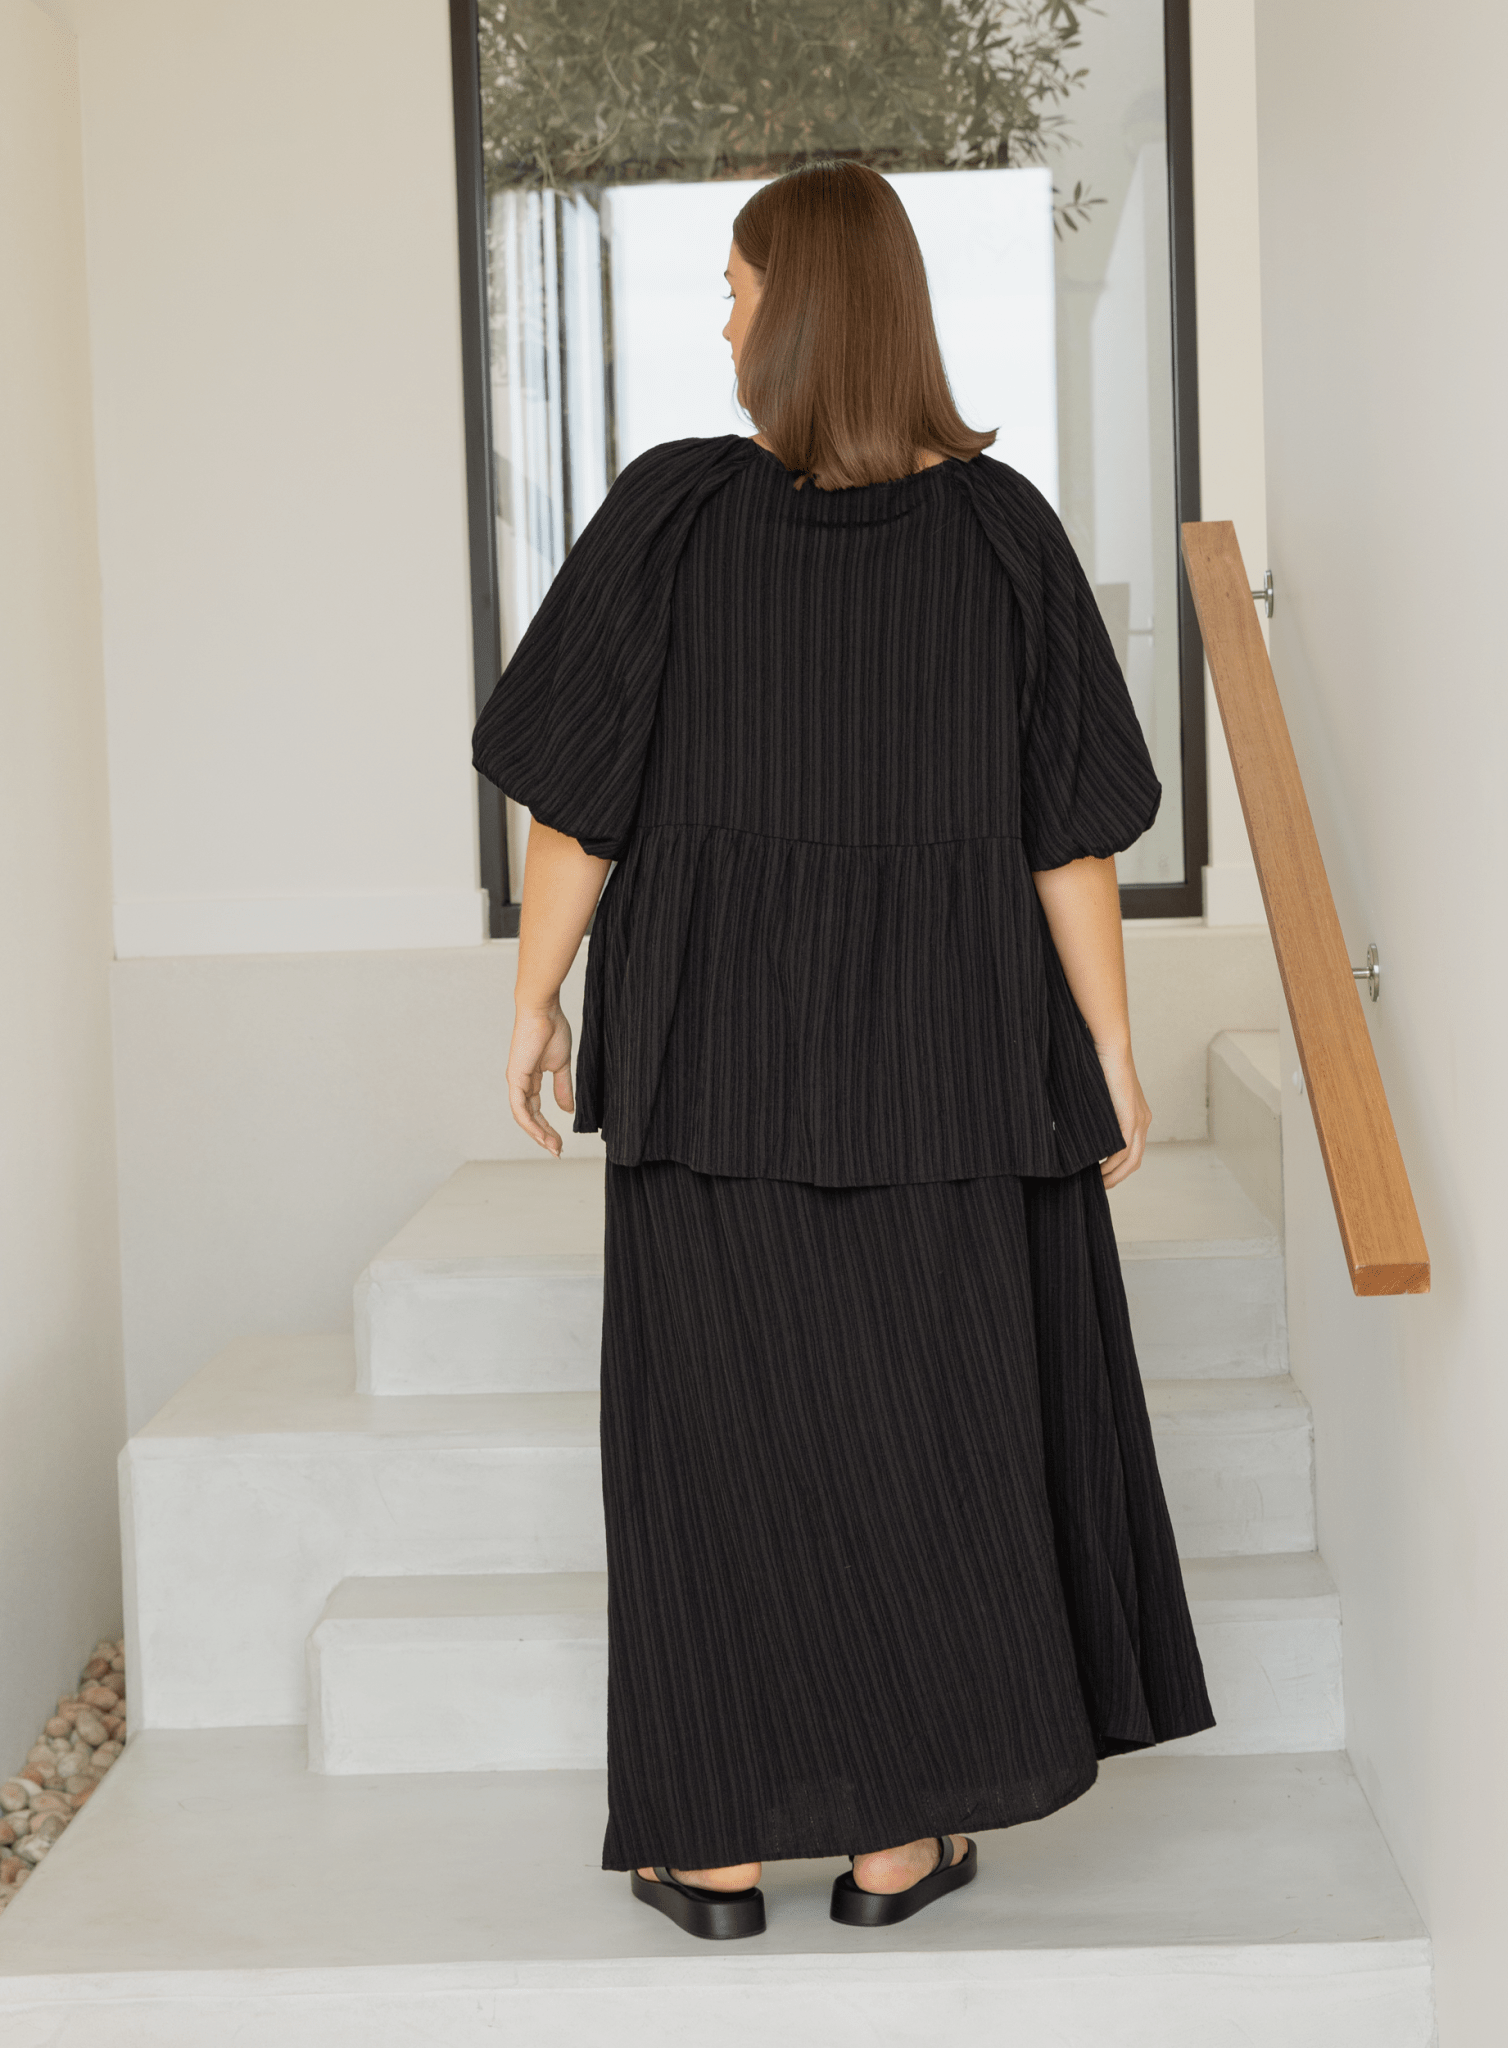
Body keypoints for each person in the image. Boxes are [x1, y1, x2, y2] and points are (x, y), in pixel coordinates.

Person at [471, 159, 1212, 1943]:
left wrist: (536, 994)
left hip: (713, 1057)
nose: (718, 321)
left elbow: (576, 803)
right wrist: (1111, 1043)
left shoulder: (670, 513)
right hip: (950, 1066)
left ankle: (714, 1851)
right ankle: (895, 1845)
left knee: (712, 1450)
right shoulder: (1003, 532)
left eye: (732, 290)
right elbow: (1065, 833)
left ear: (797, 312)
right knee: (931, 1442)